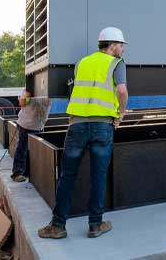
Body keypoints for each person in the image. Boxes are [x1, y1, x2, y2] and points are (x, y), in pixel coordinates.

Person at [38, 27, 129, 240]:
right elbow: (122, 90)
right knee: (98, 176)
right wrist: (121, 114)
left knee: (67, 176)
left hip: (76, 125)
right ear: (113, 45)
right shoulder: (117, 63)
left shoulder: (82, 63)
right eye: (121, 45)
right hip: (103, 125)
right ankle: (95, 225)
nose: (123, 49)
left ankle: (57, 226)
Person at [11, 86, 50, 182]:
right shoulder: (30, 89)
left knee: (34, 151)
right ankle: (18, 173)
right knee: (22, 149)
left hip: (39, 126)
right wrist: (28, 95)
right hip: (26, 125)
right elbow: (22, 103)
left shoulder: (49, 89)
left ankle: (28, 173)